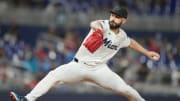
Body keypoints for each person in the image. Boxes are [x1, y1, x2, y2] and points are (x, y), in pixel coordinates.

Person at [10, 6, 160, 101]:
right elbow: (94, 23)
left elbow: (130, 42)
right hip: (78, 66)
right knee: (53, 75)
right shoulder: (103, 24)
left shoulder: (121, 36)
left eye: (117, 17)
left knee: (127, 90)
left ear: (124, 21)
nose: (113, 18)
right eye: (112, 15)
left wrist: (146, 53)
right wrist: (99, 30)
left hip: (100, 70)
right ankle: (27, 99)